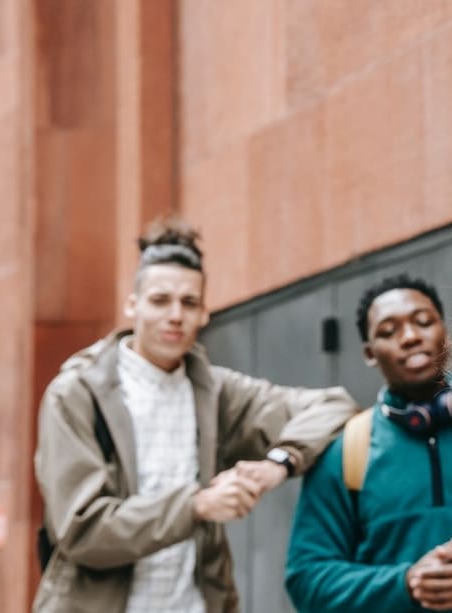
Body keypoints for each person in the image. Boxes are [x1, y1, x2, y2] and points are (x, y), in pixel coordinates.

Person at [33, 217, 359, 613]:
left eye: (188, 302)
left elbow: (333, 405)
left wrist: (279, 462)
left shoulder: (215, 391)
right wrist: (196, 506)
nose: (175, 315)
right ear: (132, 305)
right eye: (159, 300)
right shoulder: (76, 394)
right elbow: (82, 530)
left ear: (204, 313)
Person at [285, 275, 452, 613]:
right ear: (370, 353)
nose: (411, 337)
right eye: (389, 331)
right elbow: (306, 578)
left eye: (423, 322)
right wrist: (404, 583)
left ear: (444, 331)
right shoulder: (345, 451)